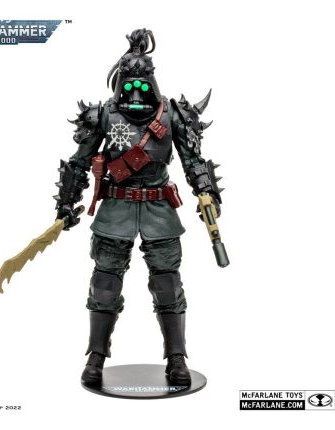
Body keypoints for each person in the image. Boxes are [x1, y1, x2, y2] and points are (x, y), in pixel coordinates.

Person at [54, 29, 223, 385]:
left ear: (153, 80)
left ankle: (176, 358)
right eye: (129, 83)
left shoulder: (172, 114)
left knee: (167, 285)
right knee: (104, 284)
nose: (135, 92)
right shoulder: (104, 114)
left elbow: (193, 160)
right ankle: (96, 356)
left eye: (142, 83)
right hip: (116, 208)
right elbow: (79, 161)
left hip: (159, 210)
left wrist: (205, 192)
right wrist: (67, 204)